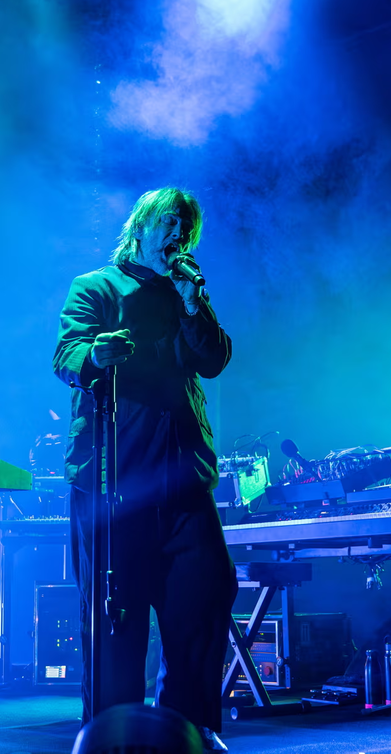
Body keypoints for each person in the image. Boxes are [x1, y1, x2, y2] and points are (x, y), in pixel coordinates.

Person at [52, 187, 236, 752]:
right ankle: (113, 738)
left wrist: (191, 301)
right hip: (113, 484)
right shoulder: (97, 286)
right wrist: (94, 354)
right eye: (170, 222)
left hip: (182, 483)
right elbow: (66, 354)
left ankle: (189, 732)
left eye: (187, 226)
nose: (179, 233)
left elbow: (214, 359)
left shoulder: (185, 296)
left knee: (205, 599)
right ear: (142, 226)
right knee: (115, 626)